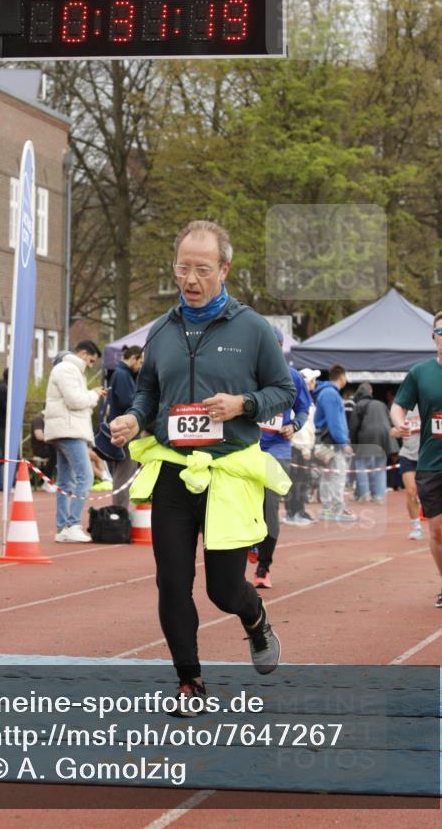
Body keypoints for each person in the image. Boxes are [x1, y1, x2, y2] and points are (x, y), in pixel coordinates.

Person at [110, 220, 295, 711]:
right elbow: (148, 389)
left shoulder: (252, 328)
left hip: (229, 471)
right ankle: (189, 680)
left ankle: (254, 618)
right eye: (183, 268)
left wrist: (243, 404)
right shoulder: (163, 329)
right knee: (171, 581)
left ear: (225, 269)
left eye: (202, 270)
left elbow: (284, 392)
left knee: (223, 589)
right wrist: (133, 418)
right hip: (173, 470)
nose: (190, 279)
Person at [391, 309, 442, 608]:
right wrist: (399, 422)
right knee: (436, 529)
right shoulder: (420, 373)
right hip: (430, 462)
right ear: (433, 337)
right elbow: (398, 406)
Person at [254, 326, 312, 588]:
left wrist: (294, 426)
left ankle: (264, 566)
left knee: (269, 507)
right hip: (246, 448)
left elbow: (303, 409)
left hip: (277, 449)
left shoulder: (292, 377)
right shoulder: (247, 373)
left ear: (279, 347)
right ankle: (252, 544)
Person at [44, 340, 106, 543]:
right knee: (85, 477)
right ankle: (72, 524)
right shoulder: (68, 369)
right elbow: (75, 401)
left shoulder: (67, 369)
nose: (90, 365)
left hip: (64, 429)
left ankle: (63, 527)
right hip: (69, 430)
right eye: (90, 360)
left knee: (65, 480)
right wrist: (94, 394)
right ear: (82, 353)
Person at [314, 365, 357, 523]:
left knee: (328, 475)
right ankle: (337, 508)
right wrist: (343, 442)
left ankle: (327, 509)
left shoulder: (325, 393)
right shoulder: (331, 394)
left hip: (325, 440)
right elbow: (335, 421)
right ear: (342, 377)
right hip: (332, 442)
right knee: (338, 474)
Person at [105, 345, 144, 508]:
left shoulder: (122, 374)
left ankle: (121, 510)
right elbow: (127, 402)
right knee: (124, 474)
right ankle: (120, 512)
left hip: (124, 431)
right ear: (133, 358)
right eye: (140, 362)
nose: (141, 366)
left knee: (125, 473)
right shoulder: (122, 375)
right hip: (125, 432)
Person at [349, 382, 394, 504]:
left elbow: (353, 427)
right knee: (380, 467)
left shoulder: (358, 405)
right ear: (371, 391)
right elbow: (390, 422)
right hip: (384, 438)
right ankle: (379, 496)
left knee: (361, 464)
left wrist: (354, 445)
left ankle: (365, 494)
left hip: (366, 437)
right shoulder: (381, 404)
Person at [288, 368, 320, 523]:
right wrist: (305, 447)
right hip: (300, 447)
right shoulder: (300, 400)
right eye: (313, 380)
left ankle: (298, 510)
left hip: (302, 446)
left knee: (301, 481)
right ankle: (295, 512)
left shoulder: (307, 399)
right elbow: (302, 426)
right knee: (298, 481)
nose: (315, 383)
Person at [390, 405, 423, 540]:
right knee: (411, 491)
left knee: (430, 494)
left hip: (428, 457)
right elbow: (392, 431)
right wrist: (397, 430)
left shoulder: (432, 403)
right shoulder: (404, 407)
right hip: (408, 455)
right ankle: (416, 527)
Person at [30, 410, 57, 492]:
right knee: (55, 454)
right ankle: (47, 482)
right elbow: (39, 436)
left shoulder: (50, 419)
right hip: (40, 449)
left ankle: (65, 482)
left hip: (49, 447)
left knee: (63, 452)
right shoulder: (38, 419)